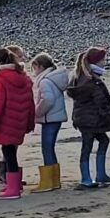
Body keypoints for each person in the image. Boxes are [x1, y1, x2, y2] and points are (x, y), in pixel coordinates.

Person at [68, 48, 110, 189]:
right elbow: (102, 104)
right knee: (89, 146)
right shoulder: (93, 81)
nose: (105, 62)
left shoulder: (79, 78)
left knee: (97, 143)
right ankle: (88, 177)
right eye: (103, 60)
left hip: (83, 120)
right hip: (93, 120)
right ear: (96, 62)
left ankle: (97, 174)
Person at [0, 48, 36, 199]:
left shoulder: (0, 79)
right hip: (20, 121)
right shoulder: (24, 78)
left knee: (8, 154)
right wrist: (29, 123)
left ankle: (13, 188)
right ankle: (14, 185)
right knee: (11, 153)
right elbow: (31, 103)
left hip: (5, 122)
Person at [30, 52, 69, 192]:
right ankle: (54, 180)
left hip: (50, 118)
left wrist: (37, 112)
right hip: (55, 118)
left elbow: (48, 100)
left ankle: (48, 182)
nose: (34, 72)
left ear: (40, 66)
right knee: (49, 148)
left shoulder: (45, 81)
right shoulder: (54, 78)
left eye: (34, 68)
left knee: (47, 148)